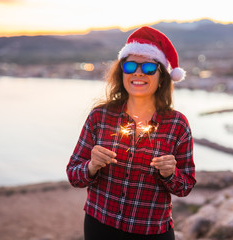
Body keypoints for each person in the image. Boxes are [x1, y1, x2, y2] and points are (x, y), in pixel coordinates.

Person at [66, 26, 196, 240]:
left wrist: (170, 174)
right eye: (130, 65)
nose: (138, 72)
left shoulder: (177, 125)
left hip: (152, 232)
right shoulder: (99, 117)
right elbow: (74, 175)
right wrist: (91, 166)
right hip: (100, 227)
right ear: (122, 71)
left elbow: (185, 187)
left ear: (162, 76)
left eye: (148, 68)